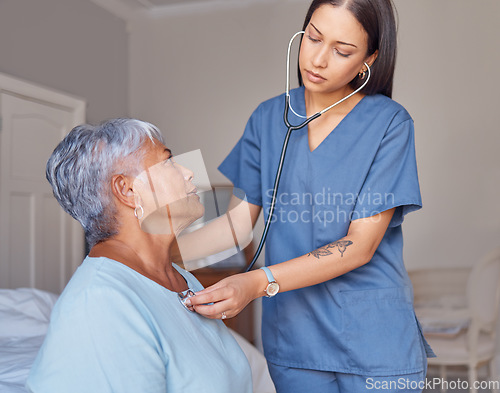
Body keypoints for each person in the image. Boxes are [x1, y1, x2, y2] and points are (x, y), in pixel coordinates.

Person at [185, 0, 435, 392]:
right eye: (313, 38)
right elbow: (236, 228)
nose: (318, 59)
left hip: (375, 341)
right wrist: (153, 250)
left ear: (368, 58)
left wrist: (256, 282)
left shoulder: (390, 123)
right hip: (294, 341)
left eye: (342, 50)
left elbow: (359, 245)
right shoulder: (268, 119)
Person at [26, 119, 252, 393]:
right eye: (168, 161)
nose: (189, 173)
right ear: (128, 190)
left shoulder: (179, 277)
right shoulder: (99, 303)